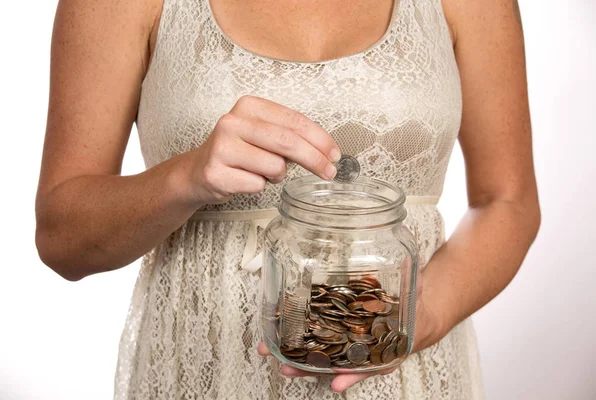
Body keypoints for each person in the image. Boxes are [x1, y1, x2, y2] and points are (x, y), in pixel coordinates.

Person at [35, 0, 540, 398]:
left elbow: (508, 200)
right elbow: (62, 237)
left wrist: (419, 317)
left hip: (405, 378)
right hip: (206, 374)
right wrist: (184, 177)